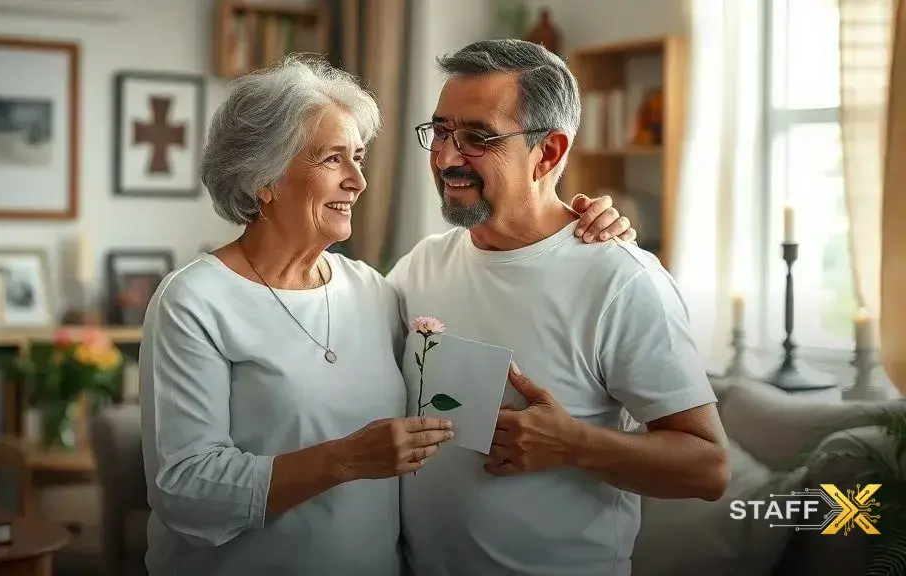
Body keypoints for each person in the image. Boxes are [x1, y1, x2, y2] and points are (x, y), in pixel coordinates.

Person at [138, 55, 636, 576]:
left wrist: (579, 238)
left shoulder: (376, 292)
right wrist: (346, 459)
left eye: (358, 157)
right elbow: (184, 490)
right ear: (263, 177)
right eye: (332, 159)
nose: (358, 180)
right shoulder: (194, 301)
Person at [387, 39, 731, 576]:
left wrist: (574, 445)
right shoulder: (420, 266)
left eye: (477, 137)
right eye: (441, 131)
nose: (447, 157)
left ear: (547, 153)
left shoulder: (623, 281)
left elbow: (708, 469)